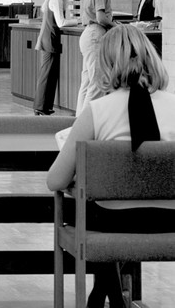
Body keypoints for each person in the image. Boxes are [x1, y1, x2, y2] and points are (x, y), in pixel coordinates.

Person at [47, 24, 175, 308]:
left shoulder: (98, 111)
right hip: (170, 221)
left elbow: (55, 181)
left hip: (115, 222)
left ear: (105, 64)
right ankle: (113, 300)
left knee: (87, 210)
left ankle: (107, 299)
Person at [75, 0, 129, 116]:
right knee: (98, 82)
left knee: (86, 82)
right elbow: (101, 18)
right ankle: (87, 123)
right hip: (95, 36)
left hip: (88, 35)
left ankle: (79, 120)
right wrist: (116, 26)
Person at [33, 0, 78, 116]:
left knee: (49, 74)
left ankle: (44, 106)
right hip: (51, 40)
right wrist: (79, 21)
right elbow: (61, 23)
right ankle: (41, 106)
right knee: (47, 74)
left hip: (49, 39)